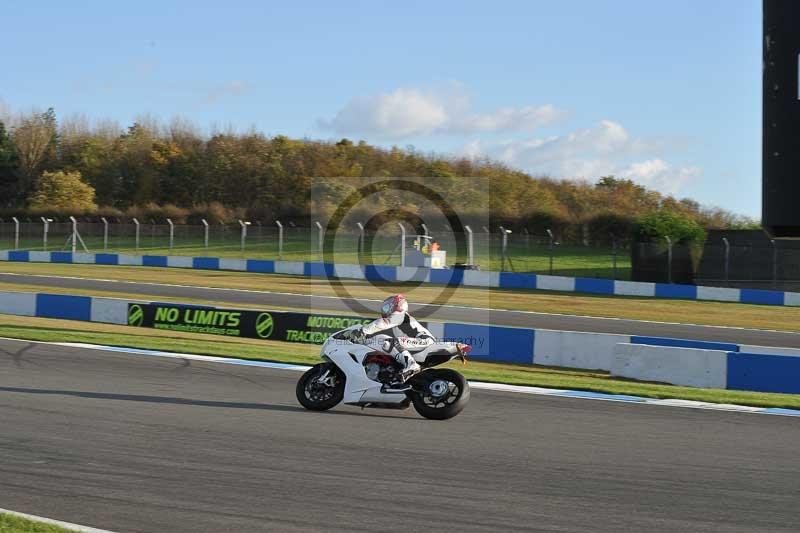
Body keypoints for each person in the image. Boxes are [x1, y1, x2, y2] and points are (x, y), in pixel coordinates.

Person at [348, 294, 433, 389]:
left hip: (423, 340)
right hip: (416, 341)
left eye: (387, 307)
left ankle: (412, 364)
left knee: (390, 342)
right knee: (382, 341)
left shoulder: (400, 315)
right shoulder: (398, 319)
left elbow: (383, 323)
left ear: (397, 305)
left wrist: (363, 330)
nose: (385, 310)